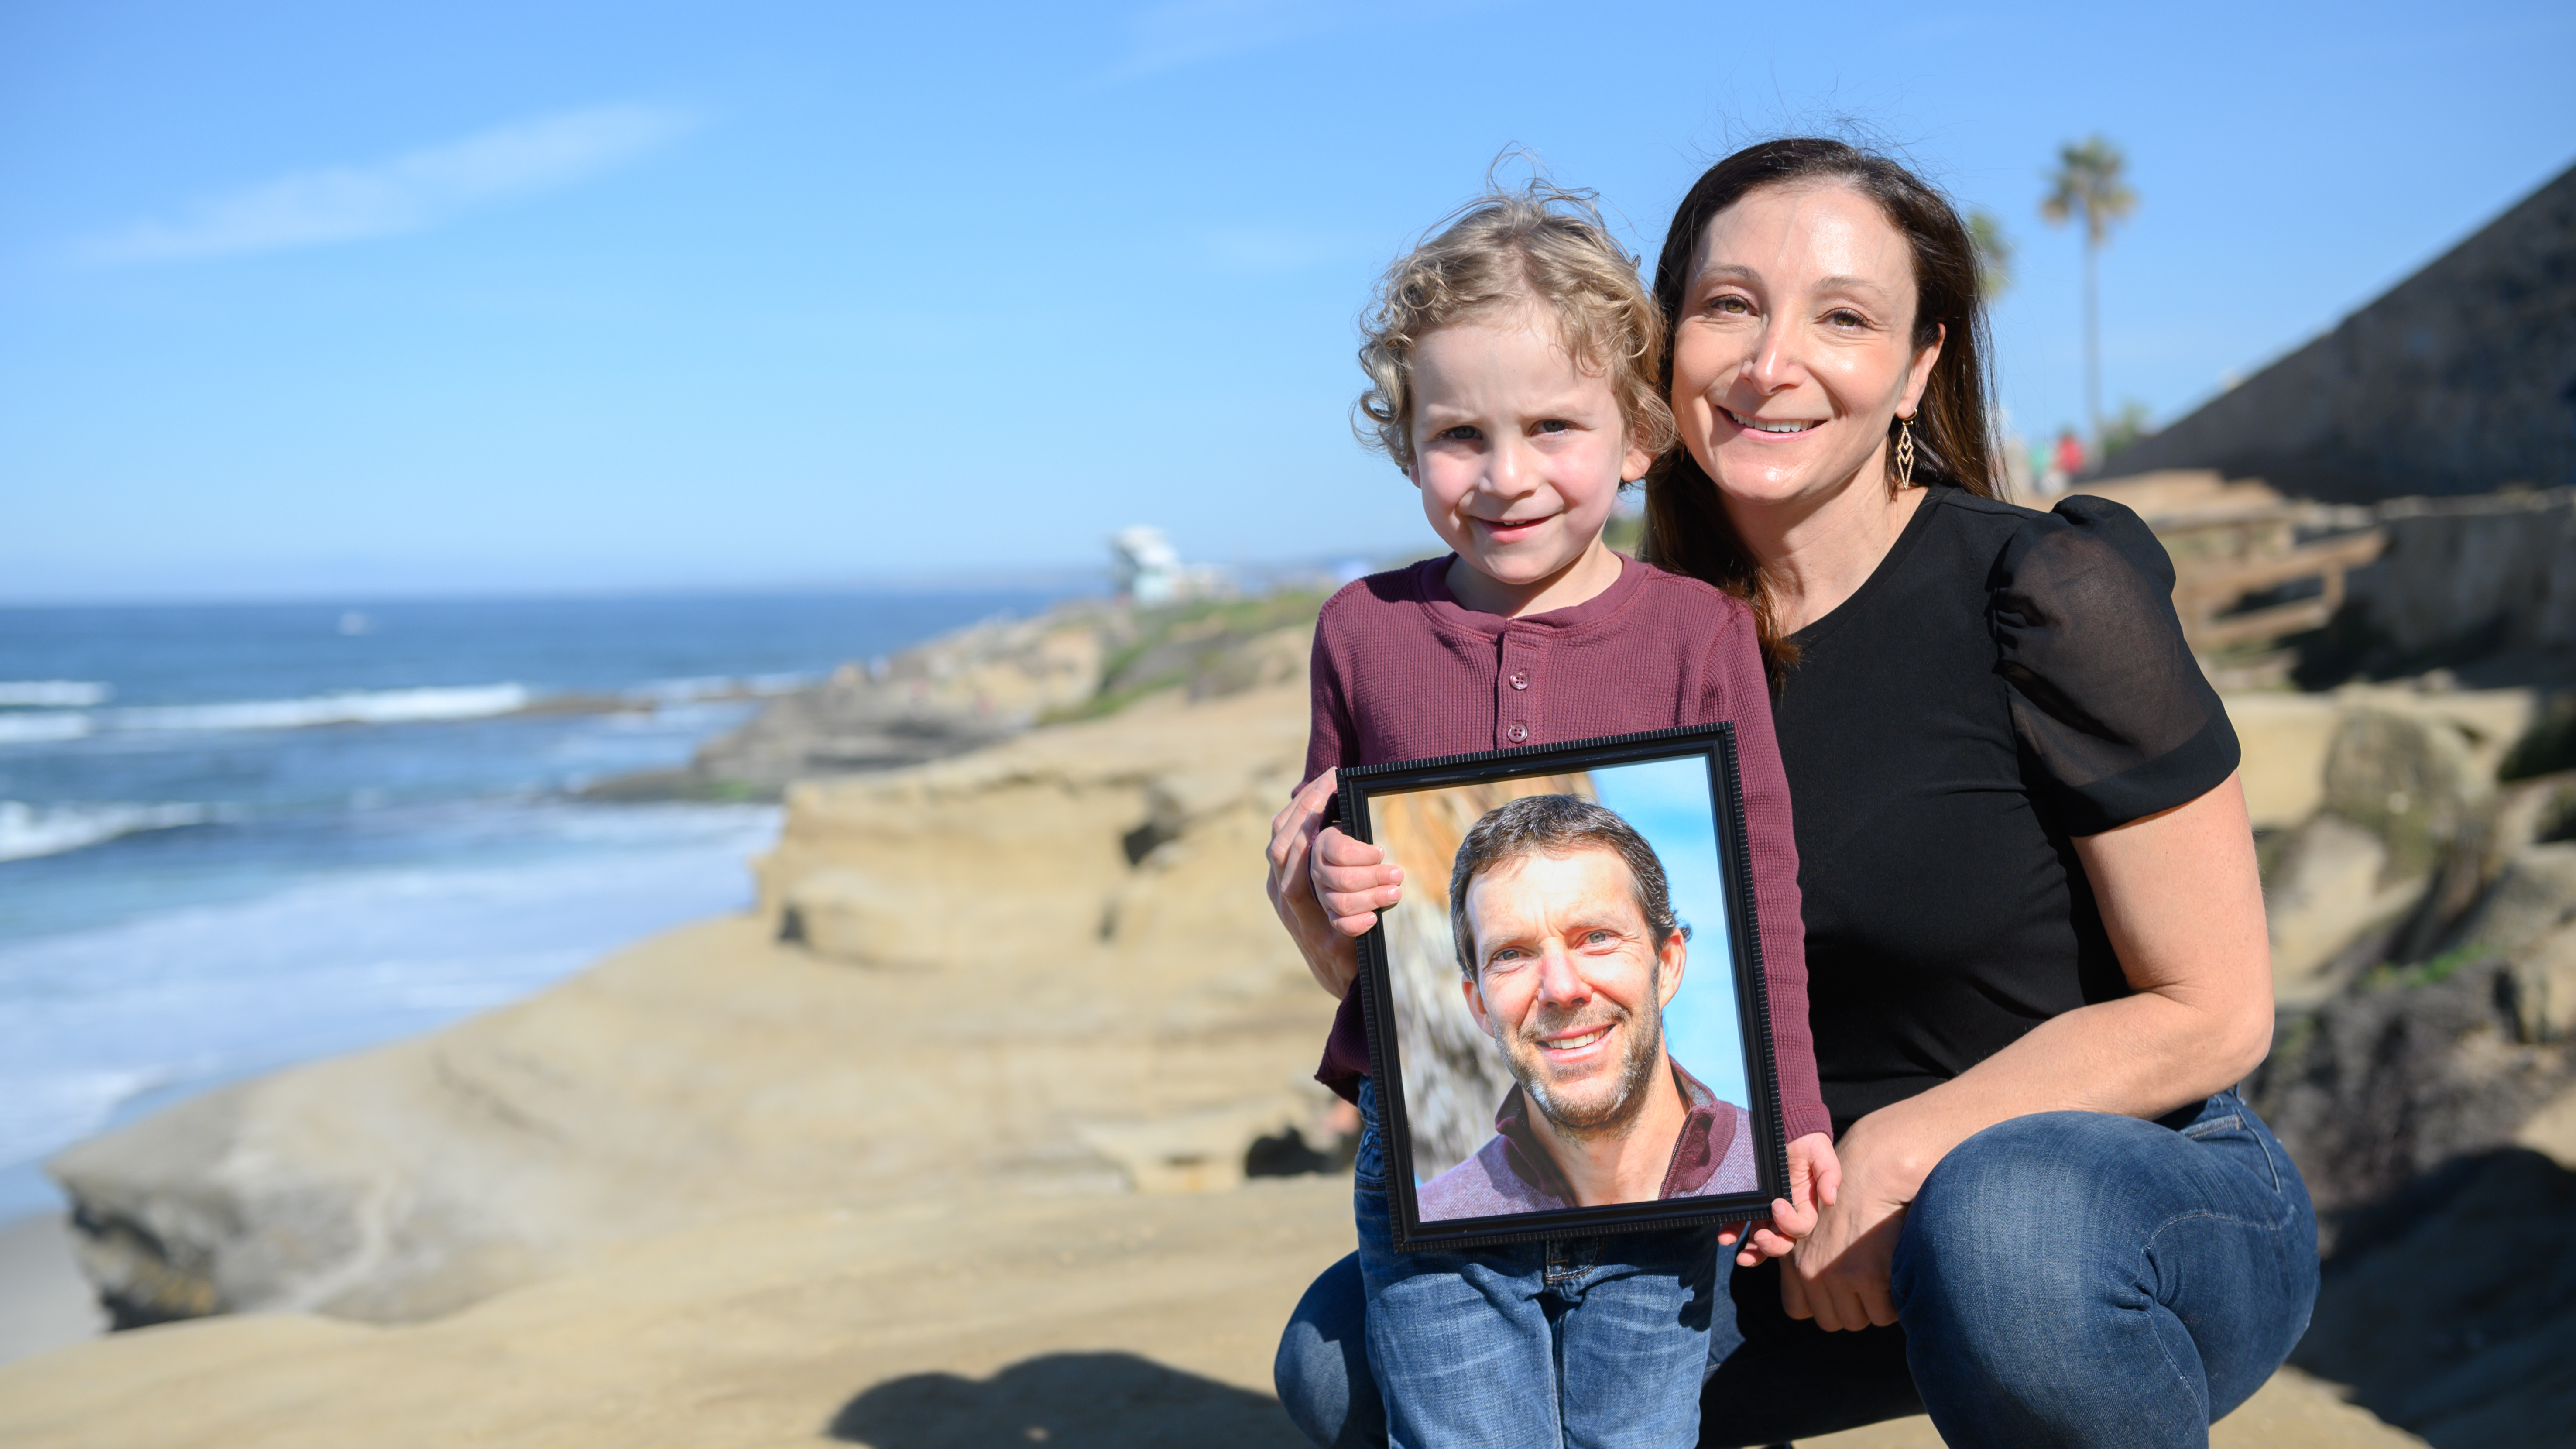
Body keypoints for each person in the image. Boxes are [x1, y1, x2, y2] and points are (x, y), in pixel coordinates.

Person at [1275, 138, 2317, 1449]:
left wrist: (1897, 1152)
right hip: (1763, 1209)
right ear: (1658, 359)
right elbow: (1486, 968)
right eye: (1726, 307)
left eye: (1841, 316)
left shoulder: (2046, 590)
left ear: (1916, 366)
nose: (1771, 362)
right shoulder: (1641, 632)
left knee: (2005, 1230)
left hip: (2110, 1205)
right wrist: (1334, 933)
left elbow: (2213, 1010)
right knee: (1340, 1358)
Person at [1262, 179, 1839, 1449]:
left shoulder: (1698, 630)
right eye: (1458, 433)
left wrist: (1786, 1106)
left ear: (1636, 433)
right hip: (1438, 1145)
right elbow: (1333, 873)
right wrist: (1319, 873)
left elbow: (1757, 883)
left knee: (1637, 1432)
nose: (1505, 473)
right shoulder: (1360, 632)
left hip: (1660, 1167)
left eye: (1552, 426)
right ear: (1402, 435)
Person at [1419, 794, 1756, 1222]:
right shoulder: (1435, 1229)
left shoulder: (1791, 1191)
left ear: (1667, 966)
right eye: (1511, 954)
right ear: (1480, 1006)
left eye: (1596, 937)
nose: (1560, 987)